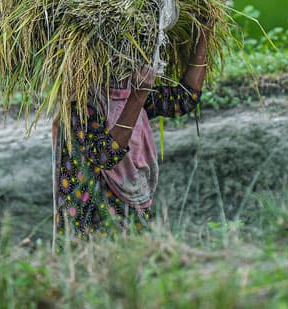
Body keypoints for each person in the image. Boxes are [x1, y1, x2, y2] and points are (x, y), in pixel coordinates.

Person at [53, 28, 209, 243]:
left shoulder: (125, 91)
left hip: (129, 211)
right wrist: (138, 96)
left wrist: (203, 35)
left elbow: (183, 100)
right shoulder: (80, 103)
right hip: (89, 222)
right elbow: (105, 155)